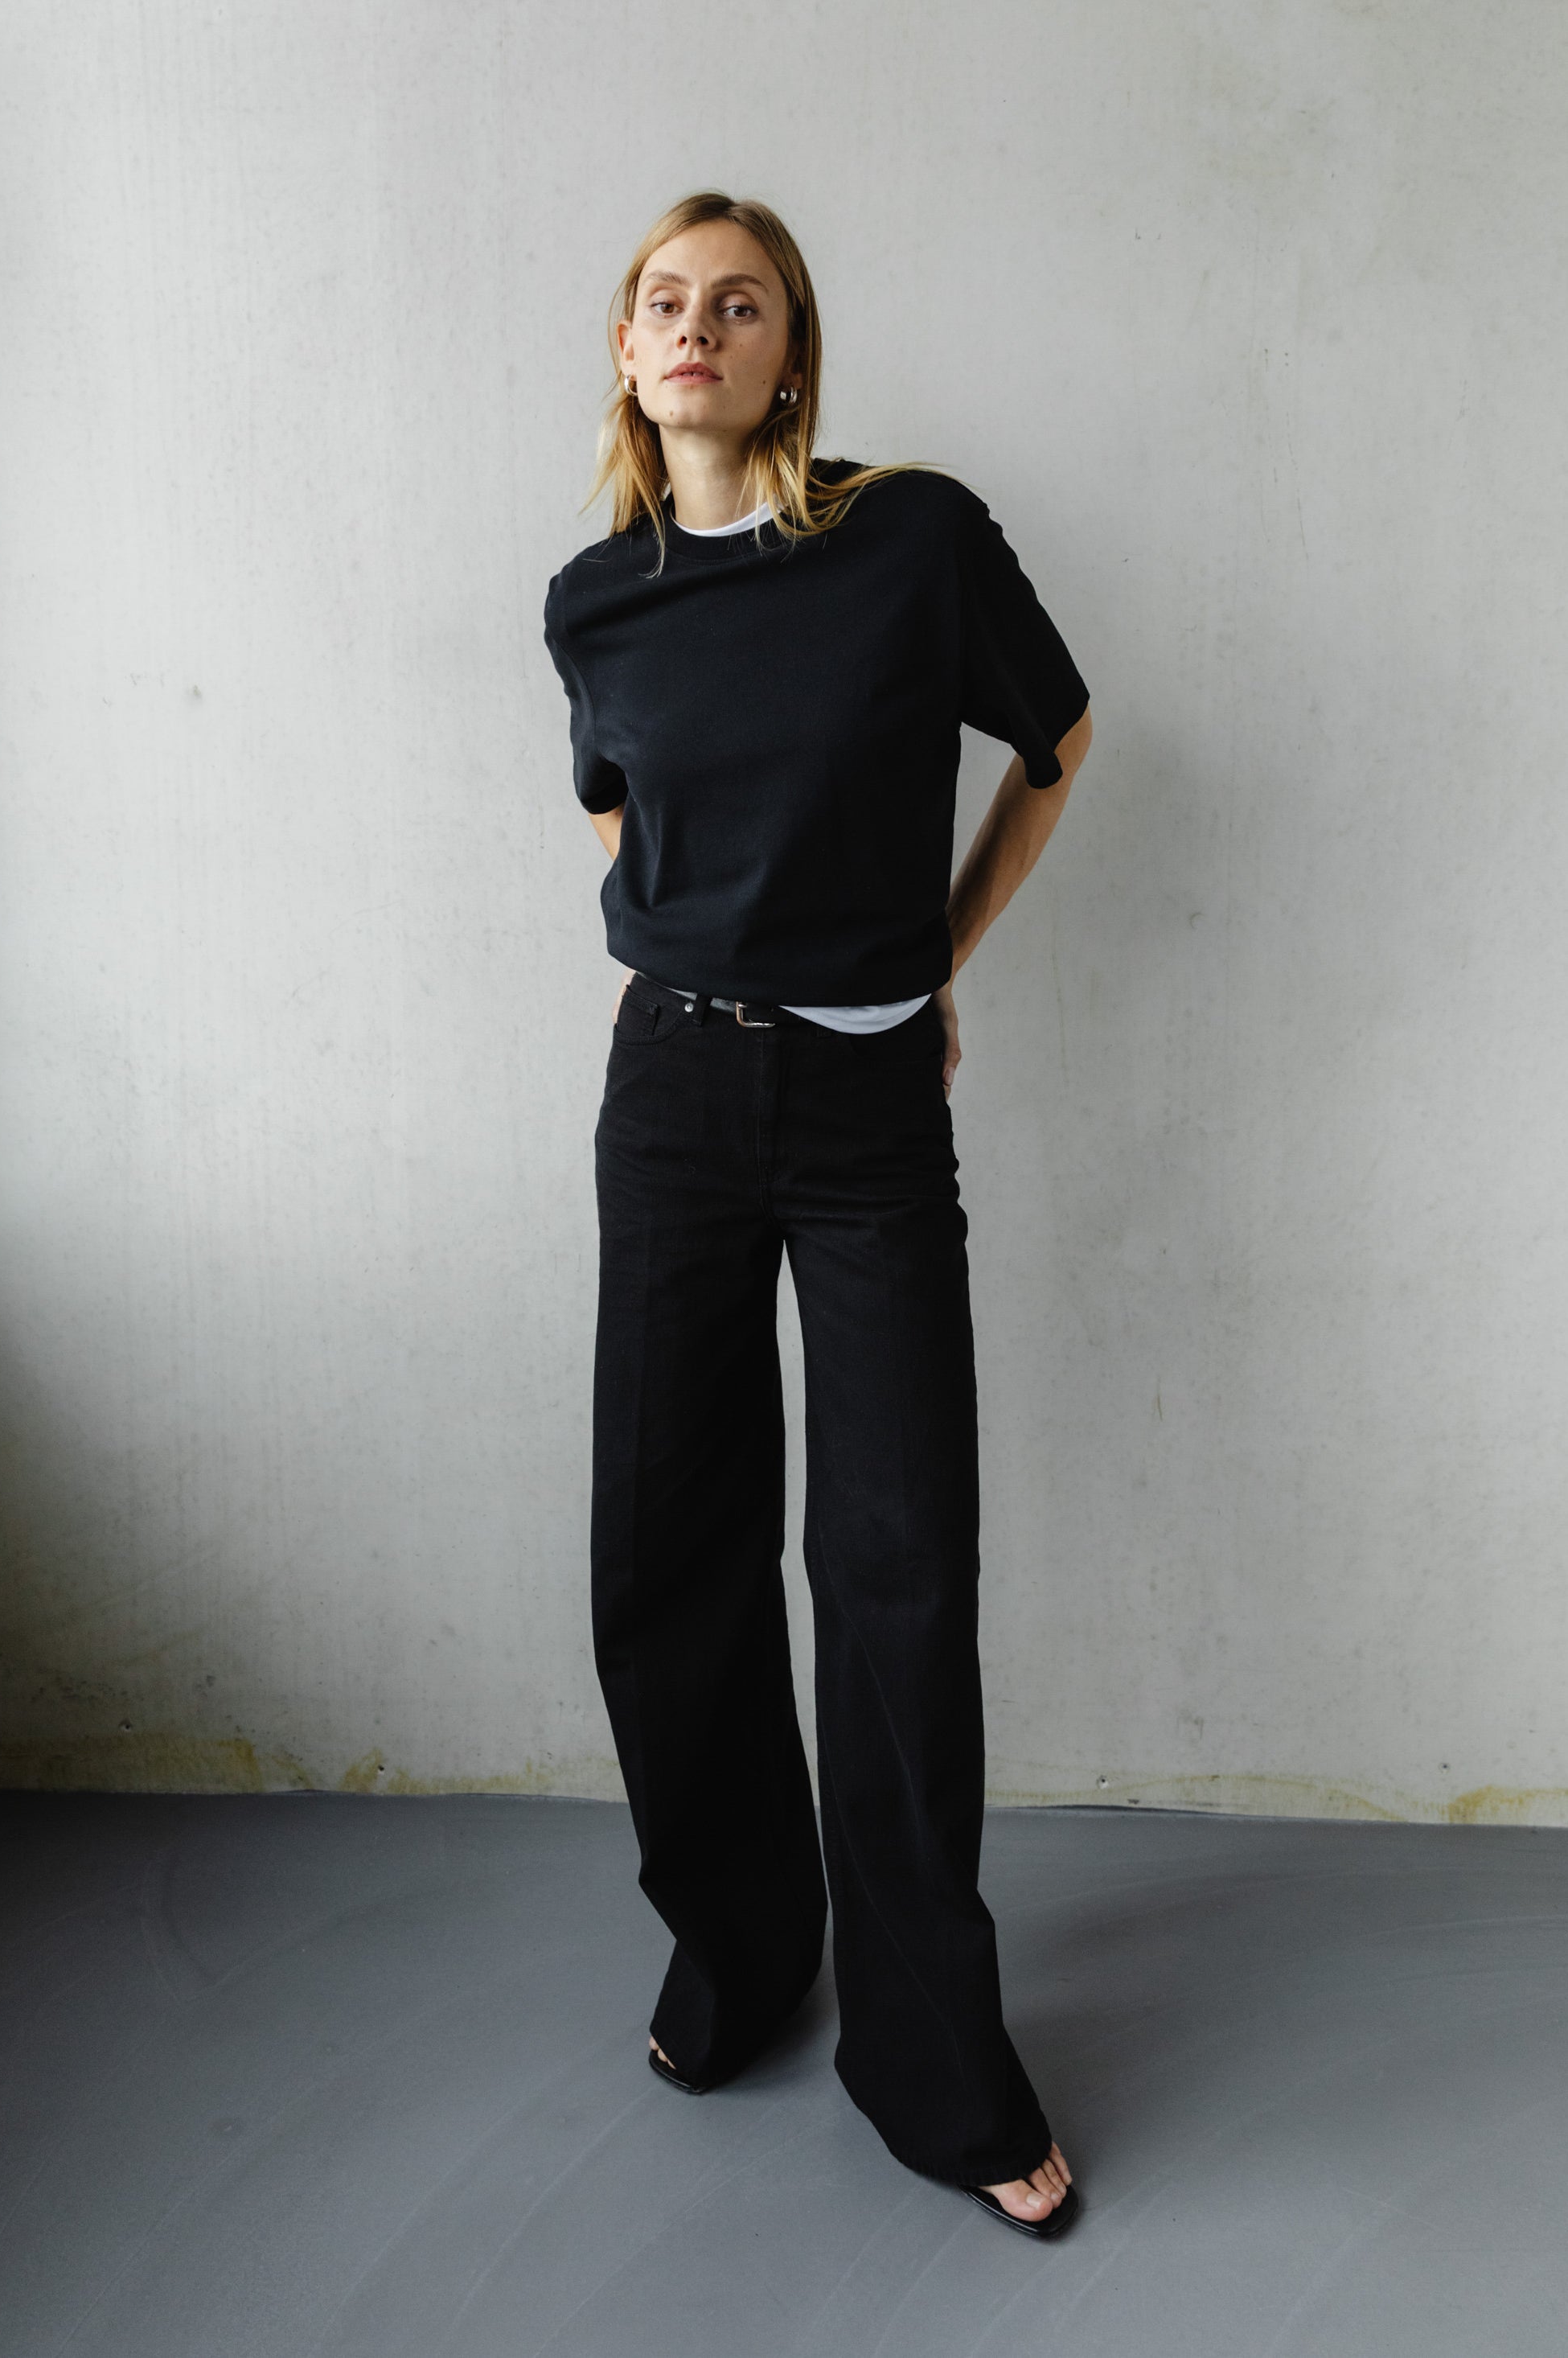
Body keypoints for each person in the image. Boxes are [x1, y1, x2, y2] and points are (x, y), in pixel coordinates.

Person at [542, 190, 1093, 2241]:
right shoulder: (592, 600)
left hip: (867, 1106)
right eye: (664, 300)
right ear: (627, 347)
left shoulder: (910, 538)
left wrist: (928, 960)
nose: (698, 326)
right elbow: (622, 816)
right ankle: (745, 1938)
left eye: (739, 301)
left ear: (793, 355)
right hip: (672, 1092)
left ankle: (930, 2050)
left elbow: (1057, 742)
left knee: (889, 1562)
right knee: (662, 1542)